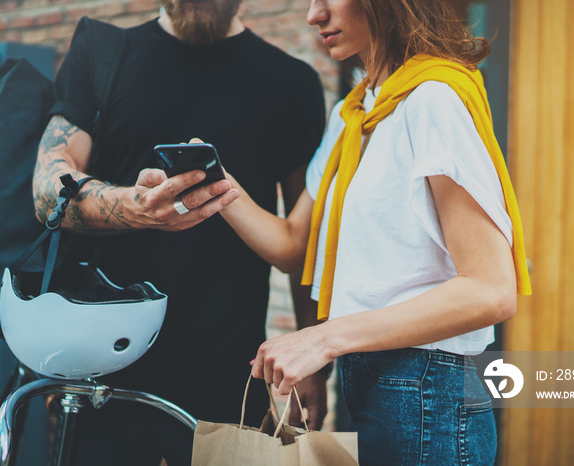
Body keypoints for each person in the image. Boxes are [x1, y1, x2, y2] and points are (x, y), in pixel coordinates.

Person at [217, 0, 532, 464]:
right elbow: (294, 246)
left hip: (430, 389)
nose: (313, 15)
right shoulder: (353, 113)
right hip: (366, 372)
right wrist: (219, 188)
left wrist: (322, 340)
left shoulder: (433, 99)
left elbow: (491, 290)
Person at [32, 0, 326, 464]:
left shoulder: (293, 82)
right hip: (102, 367)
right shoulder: (102, 52)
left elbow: (305, 242)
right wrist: (134, 207)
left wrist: (314, 363)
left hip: (230, 372)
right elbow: (48, 189)